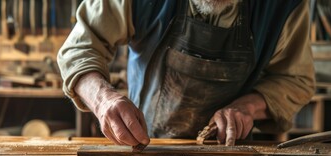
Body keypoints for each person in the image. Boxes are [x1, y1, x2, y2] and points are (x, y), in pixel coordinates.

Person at [57, 0, 315, 147]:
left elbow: (296, 80)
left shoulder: (284, 7)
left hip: (230, 152)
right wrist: (104, 100)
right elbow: (79, 48)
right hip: (144, 145)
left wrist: (247, 107)